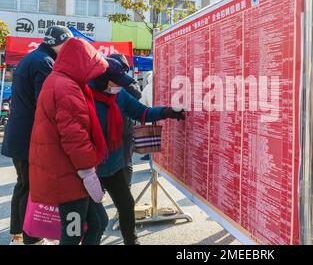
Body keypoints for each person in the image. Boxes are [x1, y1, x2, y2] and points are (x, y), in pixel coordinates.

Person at [28, 38, 124, 245]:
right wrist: (89, 173)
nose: (94, 74)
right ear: (80, 63)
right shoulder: (67, 87)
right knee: (73, 232)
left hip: (67, 171)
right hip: (69, 175)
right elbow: (75, 137)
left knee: (98, 221)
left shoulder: (60, 81)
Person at [90, 68, 185, 245]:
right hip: (89, 168)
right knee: (95, 219)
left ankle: (132, 242)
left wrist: (167, 112)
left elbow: (141, 112)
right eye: (118, 82)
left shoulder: (120, 96)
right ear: (107, 82)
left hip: (113, 164)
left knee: (126, 205)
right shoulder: (83, 94)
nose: (120, 86)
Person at [2, 26, 73, 245]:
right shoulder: (45, 63)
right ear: (58, 43)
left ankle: (18, 233)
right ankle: (30, 238)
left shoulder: (31, 58)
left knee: (23, 184)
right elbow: (46, 105)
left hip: (18, 135)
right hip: (30, 138)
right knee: (32, 186)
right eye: (67, 46)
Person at [109, 54, 142, 187]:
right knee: (107, 159)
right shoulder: (102, 79)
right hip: (107, 127)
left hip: (124, 129)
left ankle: (126, 188)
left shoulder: (128, 82)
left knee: (126, 161)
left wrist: (124, 81)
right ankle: (105, 188)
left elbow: (137, 95)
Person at [140, 72, 154, 162]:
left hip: (150, 119)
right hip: (163, 117)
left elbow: (141, 103)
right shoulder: (163, 87)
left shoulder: (147, 88)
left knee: (151, 143)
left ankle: (151, 166)